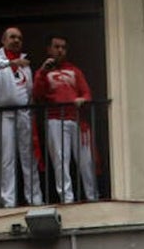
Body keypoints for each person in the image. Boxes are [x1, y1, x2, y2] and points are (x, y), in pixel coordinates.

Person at [0, 26, 43, 208]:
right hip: (4, 113)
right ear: (3, 40)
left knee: (28, 157)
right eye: (12, 37)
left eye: (19, 38)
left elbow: (27, 92)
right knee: (7, 158)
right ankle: (8, 201)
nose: (16, 41)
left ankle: (35, 199)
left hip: (23, 114)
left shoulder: (24, 63)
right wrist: (9, 64)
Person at [32, 34, 98, 203]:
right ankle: (66, 198)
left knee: (86, 160)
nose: (60, 50)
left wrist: (83, 99)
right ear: (49, 49)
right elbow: (37, 95)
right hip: (55, 119)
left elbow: (87, 93)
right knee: (60, 160)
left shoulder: (75, 70)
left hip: (77, 121)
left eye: (63, 47)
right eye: (56, 47)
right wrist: (42, 72)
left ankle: (92, 196)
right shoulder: (43, 72)